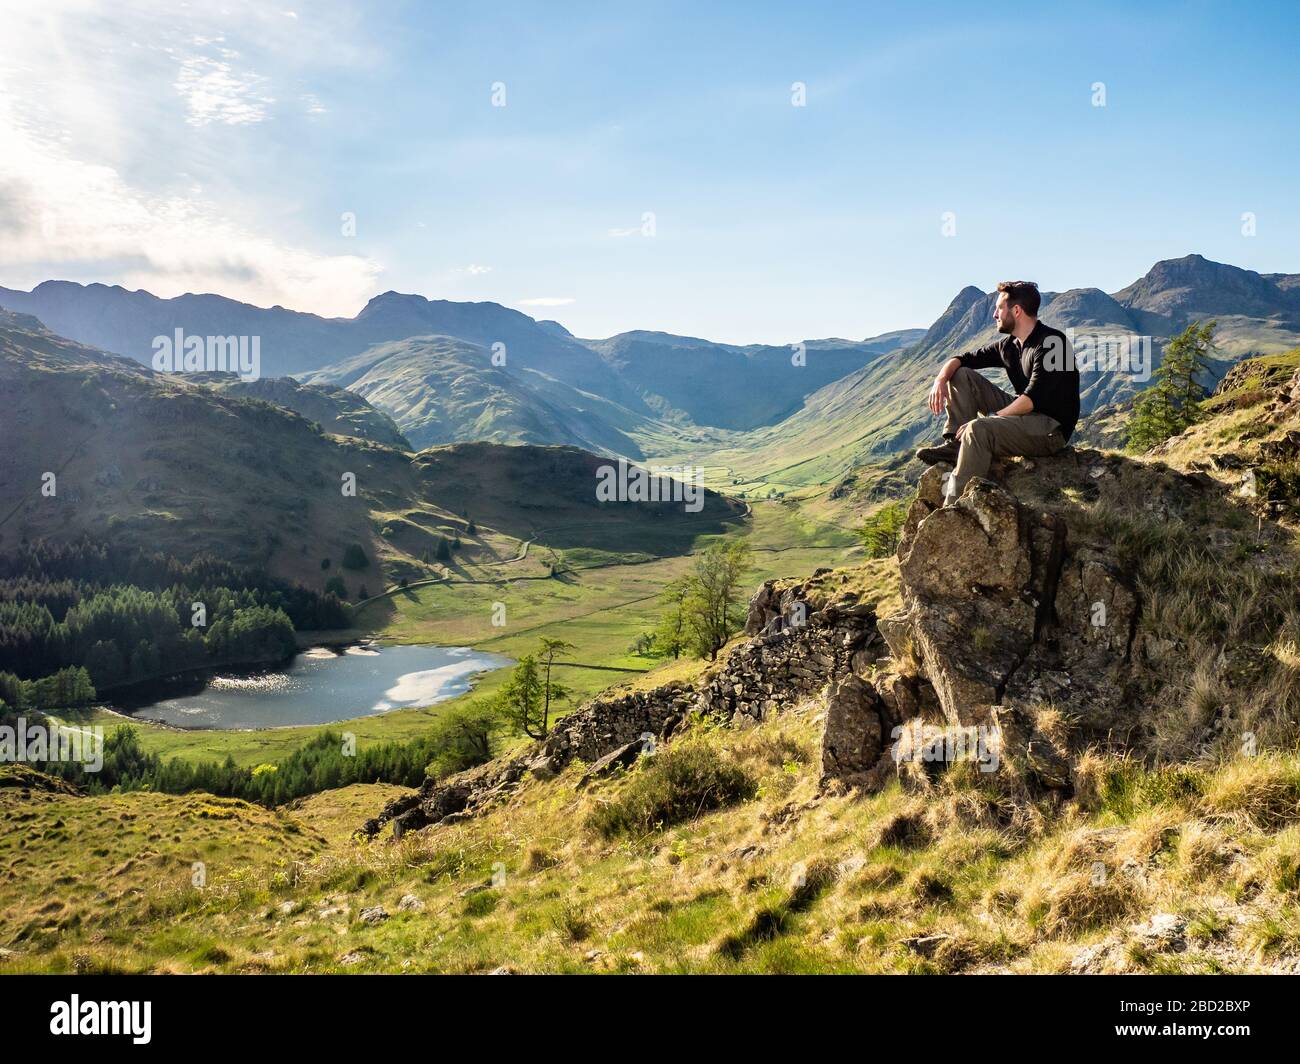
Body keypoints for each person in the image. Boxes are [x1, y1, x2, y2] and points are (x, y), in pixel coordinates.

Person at [915, 280, 1079, 504]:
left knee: (978, 428)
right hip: (1025, 415)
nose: (994, 315)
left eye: (999, 308)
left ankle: (954, 506)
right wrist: (941, 378)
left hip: (1050, 428)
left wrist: (993, 418)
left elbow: (1032, 399)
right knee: (961, 374)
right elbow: (963, 360)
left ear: (1017, 310)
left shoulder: (1052, 343)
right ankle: (957, 446)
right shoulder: (1009, 346)